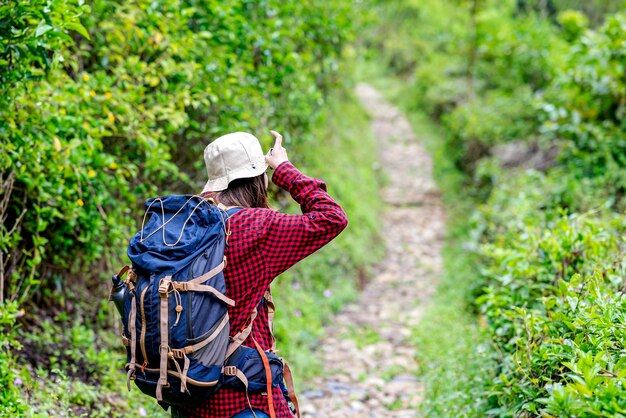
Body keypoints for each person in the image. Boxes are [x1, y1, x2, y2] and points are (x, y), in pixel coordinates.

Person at [172, 131, 348, 418]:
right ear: (259, 178)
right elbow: (332, 217)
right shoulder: (258, 227)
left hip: (188, 393)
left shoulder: (182, 223)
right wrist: (284, 169)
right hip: (243, 397)